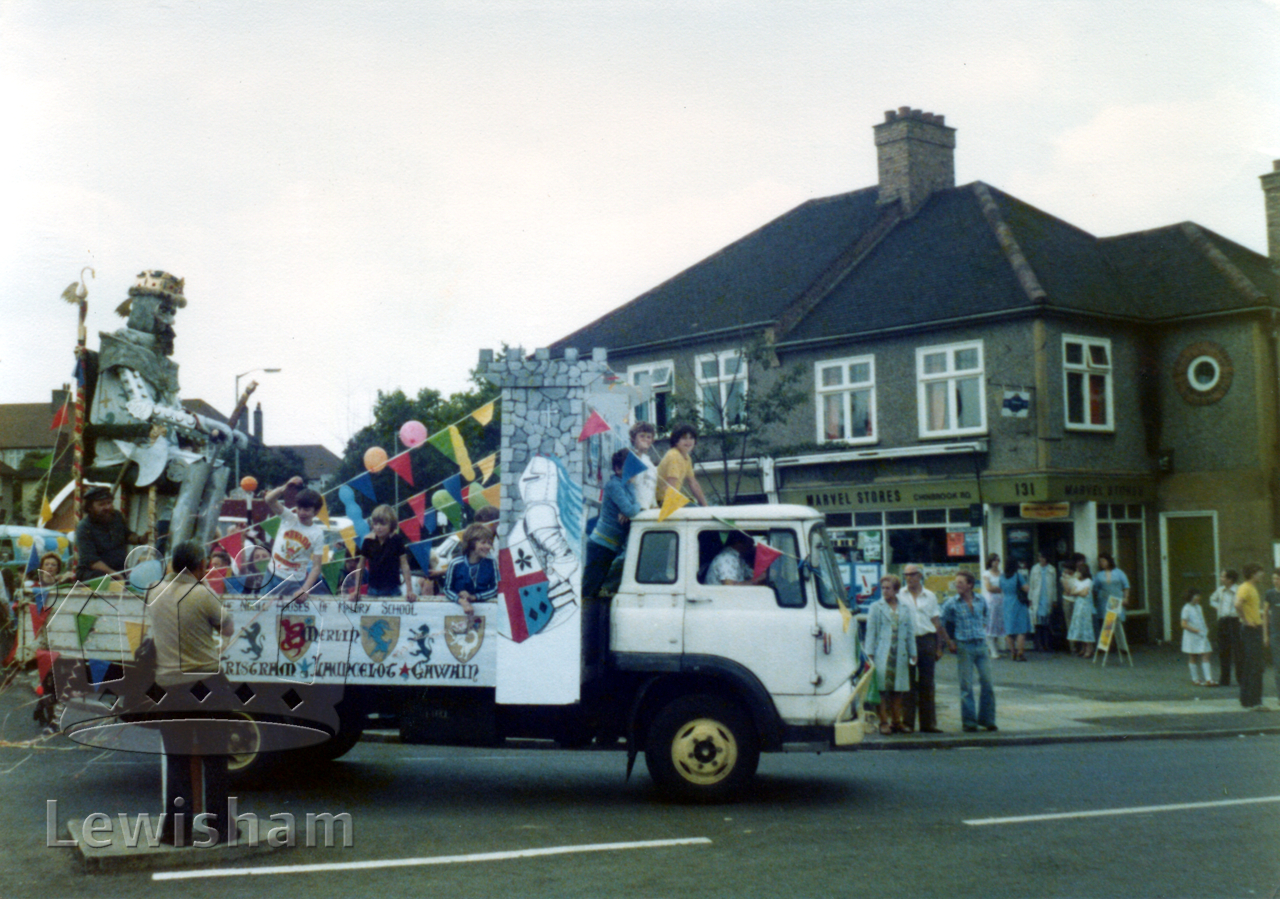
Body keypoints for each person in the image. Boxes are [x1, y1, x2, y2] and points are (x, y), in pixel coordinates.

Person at [151, 540, 235, 845]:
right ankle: (220, 827)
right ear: (200, 565)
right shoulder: (202, 593)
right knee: (214, 758)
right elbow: (227, 628)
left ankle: (176, 831)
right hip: (205, 682)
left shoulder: (155, 593)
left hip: (170, 686)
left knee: (177, 760)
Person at [582, 449, 643, 600]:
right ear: (617, 469)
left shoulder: (629, 485)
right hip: (601, 544)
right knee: (590, 590)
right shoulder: (614, 485)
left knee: (598, 589)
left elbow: (633, 507)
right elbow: (632, 509)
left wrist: (631, 509)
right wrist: (631, 509)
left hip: (611, 545)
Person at [941, 570, 997, 732]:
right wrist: (949, 642)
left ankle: (987, 719)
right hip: (964, 646)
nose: (957, 585)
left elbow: (986, 615)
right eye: (956, 582)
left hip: (981, 645)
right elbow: (941, 622)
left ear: (970, 585)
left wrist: (982, 629)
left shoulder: (980, 600)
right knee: (966, 685)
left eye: (960, 582)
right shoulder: (952, 602)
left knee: (987, 683)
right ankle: (969, 721)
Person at [865, 574, 917, 734]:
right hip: (882, 653)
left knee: (898, 690)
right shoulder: (876, 607)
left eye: (888, 588)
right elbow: (871, 633)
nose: (885, 591)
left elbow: (909, 632)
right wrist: (870, 655)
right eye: (883, 588)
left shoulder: (905, 608)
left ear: (896, 590)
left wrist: (913, 652)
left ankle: (897, 722)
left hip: (899, 653)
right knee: (881, 689)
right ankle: (883, 722)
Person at [263, 476, 325, 601]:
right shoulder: (289, 517)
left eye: (306, 510)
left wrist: (304, 589)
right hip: (271, 575)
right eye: (300, 508)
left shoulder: (317, 533)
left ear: (316, 511)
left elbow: (316, 567)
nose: (302, 512)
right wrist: (285, 486)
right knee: (263, 611)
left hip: (294, 582)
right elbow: (269, 500)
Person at [900, 564, 943, 733]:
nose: (909, 578)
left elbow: (936, 622)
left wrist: (939, 647)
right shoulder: (900, 595)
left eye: (912, 574)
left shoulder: (930, 596)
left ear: (920, 576)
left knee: (927, 682)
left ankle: (928, 724)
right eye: (906, 575)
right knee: (908, 683)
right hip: (908, 640)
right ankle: (908, 723)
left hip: (927, 639)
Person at [74, 486, 146, 582]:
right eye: (101, 504)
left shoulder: (116, 517)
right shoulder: (84, 527)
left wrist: (140, 539)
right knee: (105, 578)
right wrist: (115, 574)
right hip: (94, 573)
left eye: (109, 503)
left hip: (118, 569)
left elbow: (127, 535)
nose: (107, 507)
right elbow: (92, 561)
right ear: (90, 508)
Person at [442, 523, 499, 625]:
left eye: (489, 543)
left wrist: (475, 597)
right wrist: (461, 601)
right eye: (483, 543)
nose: (488, 547)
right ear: (472, 543)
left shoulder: (491, 563)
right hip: (457, 613)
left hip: (485, 614)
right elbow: (447, 589)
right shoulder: (455, 564)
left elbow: (496, 588)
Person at [354, 504, 415, 600]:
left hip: (393, 589)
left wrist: (409, 590)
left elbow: (404, 565)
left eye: (382, 524)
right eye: (375, 524)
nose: (378, 527)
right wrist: (357, 590)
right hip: (373, 589)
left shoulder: (397, 540)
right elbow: (360, 565)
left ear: (391, 525)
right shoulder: (368, 541)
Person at [1234, 563, 1266, 710]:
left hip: (1255, 627)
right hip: (1251, 629)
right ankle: (1254, 701)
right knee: (1255, 665)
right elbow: (1237, 604)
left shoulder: (1251, 588)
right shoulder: (1246, 587)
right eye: (1260, 572)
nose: (1262, 575)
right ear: (1253, 573)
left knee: (1252, 664)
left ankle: (1248, 700)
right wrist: (1246, 620)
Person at [655, 423, 707, 507]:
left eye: (691, 438)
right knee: (696, 511)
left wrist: (705, 506)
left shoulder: (686, 457)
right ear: (676, 440)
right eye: (684, 438)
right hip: (663, 501)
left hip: (673, 498)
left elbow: (693, 483)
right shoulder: (674, 456)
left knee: (702, 508)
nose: (688, 442)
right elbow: (671, 486)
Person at [1210, 569, 1240, 688]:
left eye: (1223, 577)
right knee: (1223, 650)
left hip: (1235, 621)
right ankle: (1224, 679)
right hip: (1223, 621)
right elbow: (1212, 599)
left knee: (1238, 650)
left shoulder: (1238, 590)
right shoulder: (1220, 590)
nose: (1221, 579)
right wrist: (1219, 608)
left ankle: (1240, 678)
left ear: (1230, 579)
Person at [1180, 588, 1214, 686]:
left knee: (1207, 653)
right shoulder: (1186, 608)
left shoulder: (1199, 607)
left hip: (1202, 634)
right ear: (1191, 597)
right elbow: (1184, 624)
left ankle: (1208, 679)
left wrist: (1205, 629)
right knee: (1193, 656)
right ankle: (1195, 679)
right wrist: (1196, 631)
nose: (1199, 598)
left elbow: (1201, 620)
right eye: (1197, 596)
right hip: (1192, 636)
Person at [1000, 558, 1031, 662]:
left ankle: (1012, 652)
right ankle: (1020, 652)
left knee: (1009, 630)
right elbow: (1026, 588)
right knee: (1021, 630)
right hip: (1018, 602)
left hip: (1007, 602)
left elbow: (1000, 588)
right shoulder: (1018, 576)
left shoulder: (1002, 577)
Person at [1094, 552, 1131, 637]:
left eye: (1103, 561)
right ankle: (1106, 647)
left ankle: (1118, 645)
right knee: (1106, 623)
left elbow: (1126, 586)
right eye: (1100, 561)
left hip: (1115, 600)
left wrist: (1126, 598)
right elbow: (1095, 588)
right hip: (1103, 601)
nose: (1101, 563)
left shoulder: (1119, 573)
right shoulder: (1099, 575)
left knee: (1116, 622)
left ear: (1109, 561)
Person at [1027, 552, 1058, 653]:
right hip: (1037, 598)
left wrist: (1054, 599)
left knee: (1046, 623)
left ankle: (1047, 644)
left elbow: (1054, 586)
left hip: (1047, 598)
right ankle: (1038, 644)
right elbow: (1031, 585)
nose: (1041, 559)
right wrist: (1030, 599)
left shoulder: (1051, 569)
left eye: (1043, 557)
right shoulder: (1035, 569)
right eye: (1040, 557)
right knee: (1037, 623)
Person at [1064, 560, 1096, 657]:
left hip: (1086, 606)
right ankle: (1083, 647)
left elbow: (1085, 593)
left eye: (1078, 571)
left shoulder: (1089, 581)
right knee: (1080, 627)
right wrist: (1079, 591)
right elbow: (1072, 592)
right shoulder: (1077, 581)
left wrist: (1078, 592)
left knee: (1086, 626)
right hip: (1078, 606)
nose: (1077, 573)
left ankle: (1089, 648)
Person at [628, 421, 661, 510]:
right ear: (634, 438)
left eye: (649, 437)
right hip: (635, 509)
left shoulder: (650, 463)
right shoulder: (631, 458)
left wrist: (655, 506)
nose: (645, 439)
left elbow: (651, 487)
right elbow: (627, 485)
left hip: (647, 511)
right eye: (642, 436)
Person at [982, 553, 1004, 659]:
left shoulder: (1002, 573)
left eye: (998, 560)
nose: (996, 562)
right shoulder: (987, 574)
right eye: (994, 560)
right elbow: (989, 588)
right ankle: (992, 650)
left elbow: (1004, 586)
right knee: (991, 623)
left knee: (998, 623)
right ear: (990, 562)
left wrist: (998, 588)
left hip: (1001, 601)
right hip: (991, 601)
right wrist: (998, 588)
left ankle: (995, 648)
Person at [1266, 567, 1280, 707]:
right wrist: (1266, 635)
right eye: (1273, 579)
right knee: (1278, 665)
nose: (1275, 581)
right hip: (1275, 634)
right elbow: (1265, 614)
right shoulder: (1269, 594)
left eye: (1277, 578)